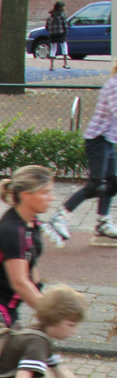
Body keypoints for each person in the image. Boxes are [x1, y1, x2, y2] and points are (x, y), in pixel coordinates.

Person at [0, 165, 54, 328]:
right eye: (45, 193)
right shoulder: (13, 232)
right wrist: (51, 316)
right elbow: (19, 282)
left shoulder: (31, 222)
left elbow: (30, 263)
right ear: (26, 195)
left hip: (7, 303)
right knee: (5, 344)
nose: (52, 198)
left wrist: (41, 294)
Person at [48, 60, 117, 243]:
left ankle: (103, 223)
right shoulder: (114, 85)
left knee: (112, 183)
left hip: (109, 140)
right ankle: (60, 217)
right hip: (98, 140)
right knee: (95, 185)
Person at [45, 1, 71, 69]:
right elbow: (65, 25)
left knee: (53, 49)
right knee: (64, 47)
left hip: (52, 34)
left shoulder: (51, 16)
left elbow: (47, 26)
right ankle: (65, 63)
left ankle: (52, 65)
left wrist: (51, 31)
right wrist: (65, 33)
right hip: (61, 33)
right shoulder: (62, 15)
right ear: (60, 7)